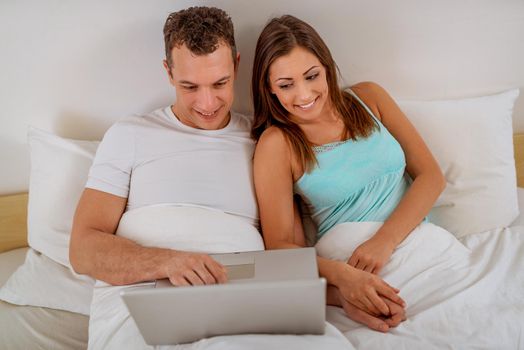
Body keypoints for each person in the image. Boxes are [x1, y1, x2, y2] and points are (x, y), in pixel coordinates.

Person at [251, 15, 446, 333]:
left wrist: (384, 241)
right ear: (269, 89)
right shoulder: (278, 143)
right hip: (354, 265)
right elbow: (280, 248)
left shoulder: (370, 98)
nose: (303, 95)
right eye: (286, 85)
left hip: (420, 244)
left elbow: (431, 176)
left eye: (312, 76)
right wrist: (342, 283)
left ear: (326, 67)